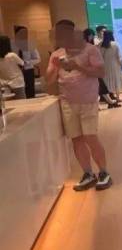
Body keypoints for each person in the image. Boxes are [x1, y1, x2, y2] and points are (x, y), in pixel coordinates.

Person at [46, 20, 112, 191]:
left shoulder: (90, 50)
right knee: (76, 139)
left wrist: (78, 66)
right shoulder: (57, 54)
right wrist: (55, 67)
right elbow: (49, 80)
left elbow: (100, 72)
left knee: (91, 137)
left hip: (88, 100)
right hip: (67, 101)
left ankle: (104, 172)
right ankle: (88, 173)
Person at [13, 26, 40, 98]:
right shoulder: (13, 46)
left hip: (28, 71)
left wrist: (27, 62)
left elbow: (37, 59)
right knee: (19, 93)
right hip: (16, 73)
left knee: (30, 92)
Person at [100, 30, 122, 100]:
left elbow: (100, 56)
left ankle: (109, 98)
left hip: (105, 66)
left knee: (107, 81)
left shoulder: (101, 45)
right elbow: (119, 57)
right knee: (116, 81)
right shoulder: (115, 44)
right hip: (115, 65)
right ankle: (117, 97)